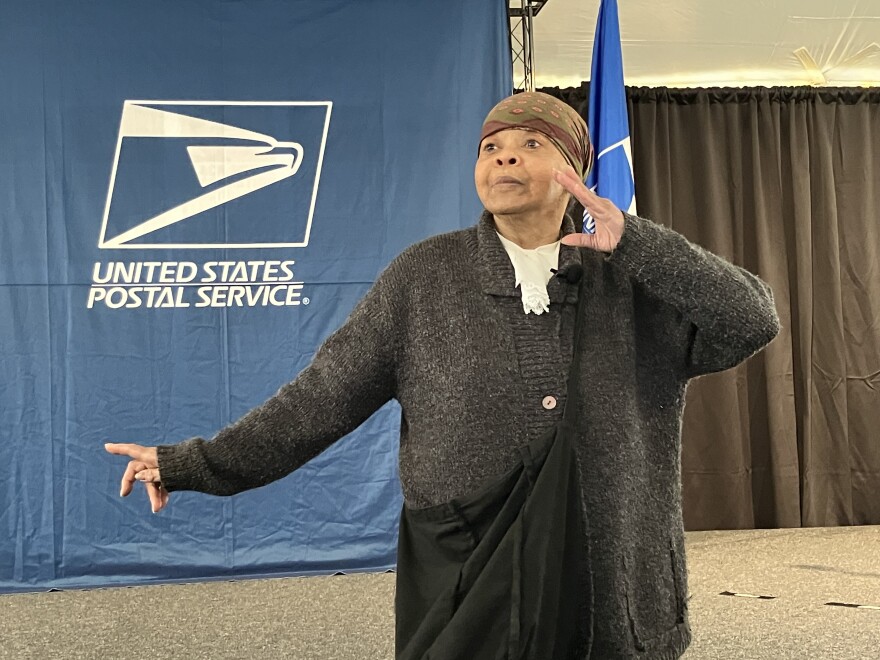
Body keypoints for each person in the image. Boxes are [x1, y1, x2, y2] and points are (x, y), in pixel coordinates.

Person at [106, 91, 780, 659]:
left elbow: (751, 320)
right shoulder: (423, 277)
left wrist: (636, 241)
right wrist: (191, 463)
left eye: (530, 144)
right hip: (465, 577)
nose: (504, 156)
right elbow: (317, 402)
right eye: (491, 148)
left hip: (612, 592)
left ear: (575, 170)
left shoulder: (640, 278)